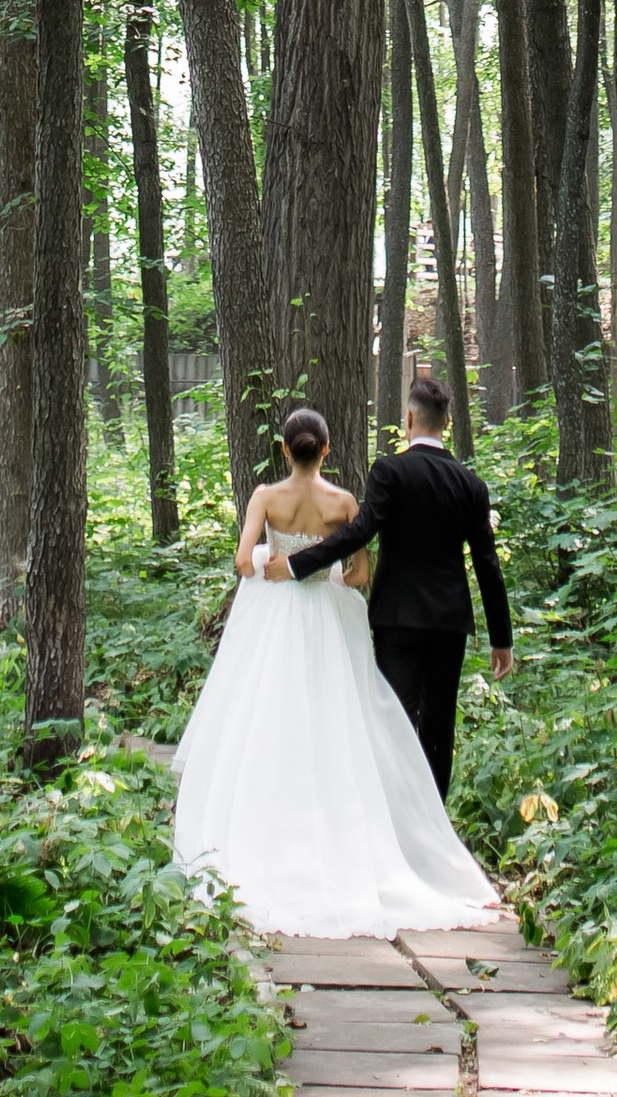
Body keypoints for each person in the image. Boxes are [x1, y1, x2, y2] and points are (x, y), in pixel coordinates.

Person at [170, 402, 500, 938]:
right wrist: (321, 575)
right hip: (328, 618)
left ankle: (264, 826)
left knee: (267, 715)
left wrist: (272, 567)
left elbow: (240, 561)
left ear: (283, 448)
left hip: (274, 614)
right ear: (327, 449)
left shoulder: (265, 497)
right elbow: (359, 573)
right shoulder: (344, 501)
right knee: (338, 719)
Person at [267, 369, 513, 798]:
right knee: (439, 725)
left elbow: (357, 533)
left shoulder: (390, 471)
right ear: (447, 423)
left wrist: (294, 565)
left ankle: (395, 817)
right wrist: (501, 639)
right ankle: (432, 823)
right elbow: (487, 563)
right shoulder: (472, 485)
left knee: (395, 719)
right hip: (449, 622)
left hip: (397, 618)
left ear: (409, 420)